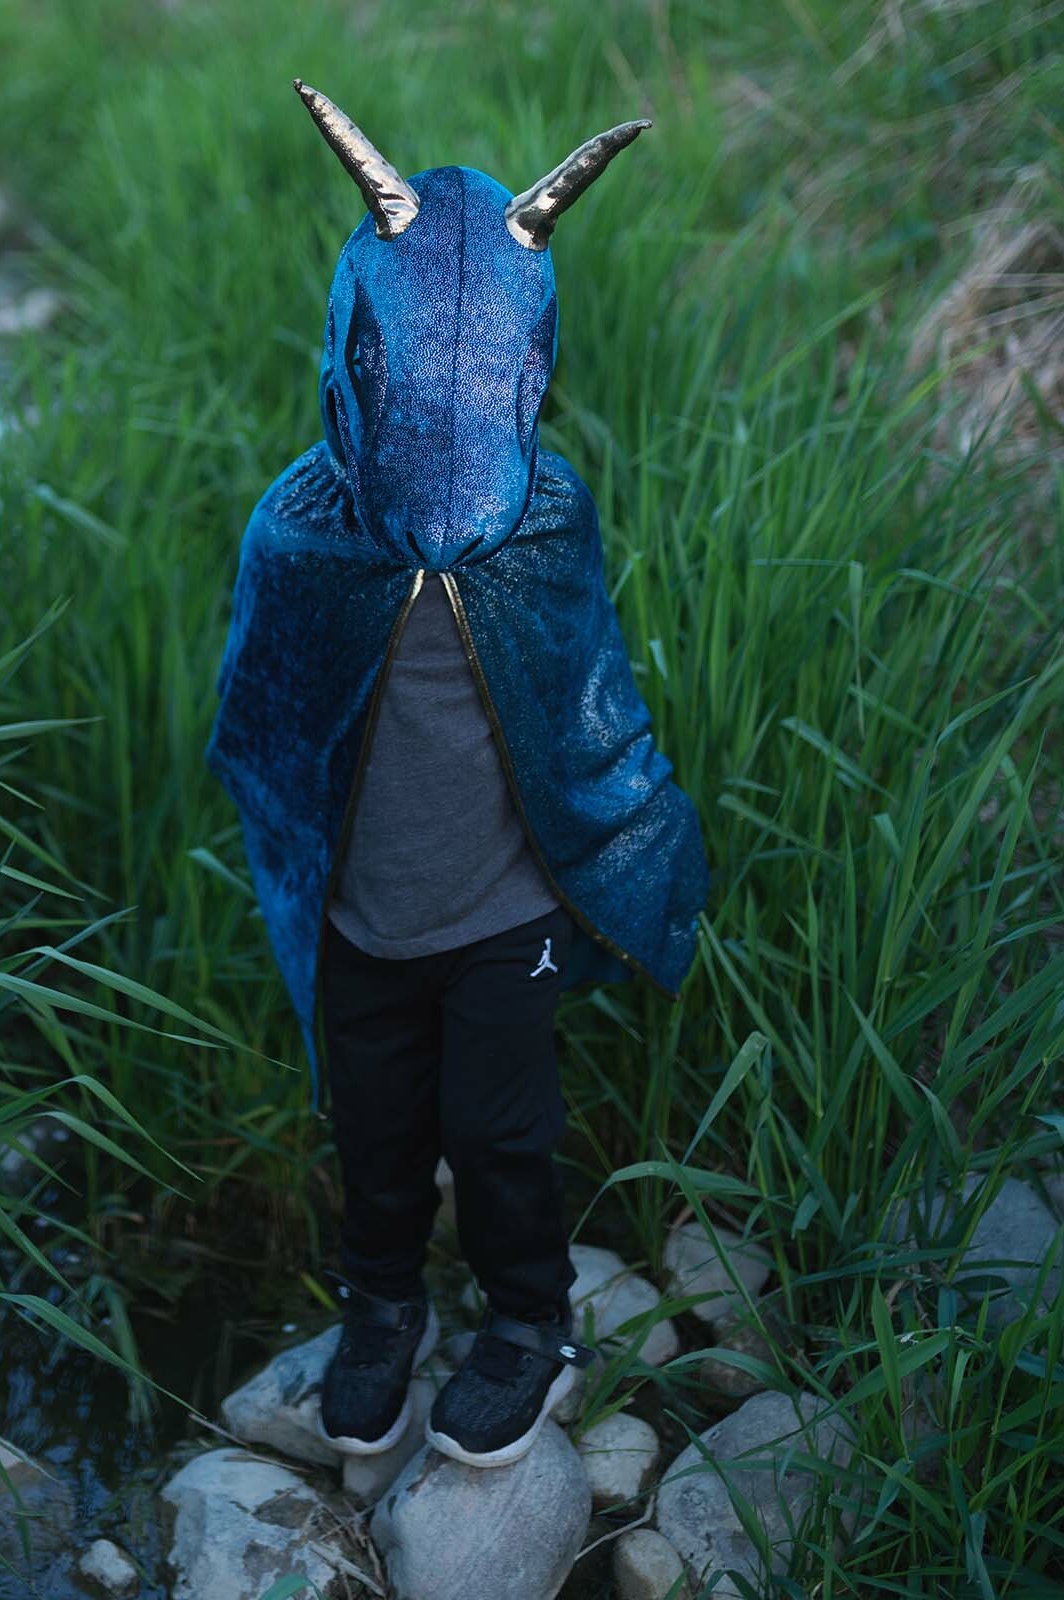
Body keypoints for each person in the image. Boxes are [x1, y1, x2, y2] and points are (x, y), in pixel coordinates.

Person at [205, 81, 709, 1469]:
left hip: (505, 916)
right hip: (365, 914)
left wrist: (630, 827)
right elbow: (263, 714)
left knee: (499, 1135)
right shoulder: (303, 525)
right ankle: (380, 1313)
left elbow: (585, 689)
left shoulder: (543, 515)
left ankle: (528, 1323)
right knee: (372, 1132)